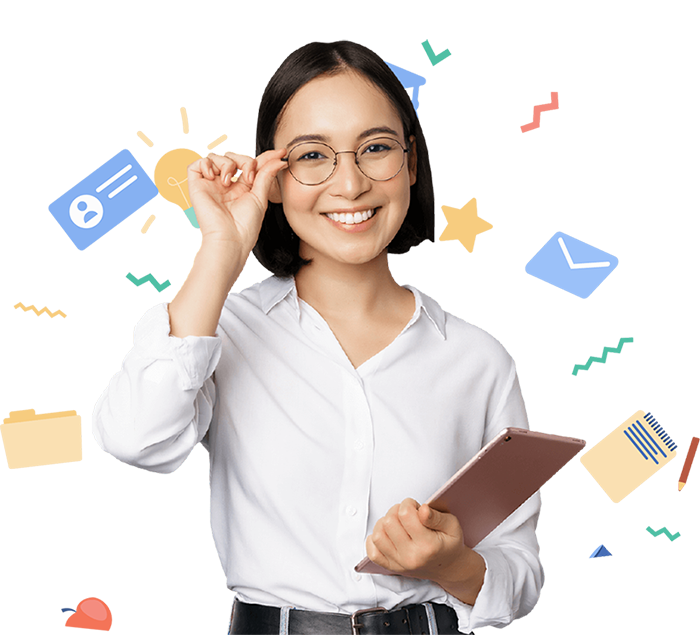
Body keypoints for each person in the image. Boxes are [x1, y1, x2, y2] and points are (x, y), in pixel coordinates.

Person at [92, 41, 543, 635]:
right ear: (273, 176)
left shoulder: (477, 361)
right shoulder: (218, 330)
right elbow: (132, 439)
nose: (350, 183)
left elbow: (519, 572)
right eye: (312, 156)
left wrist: (452, 564)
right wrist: (223, 252)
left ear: (410, 163)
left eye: (376, 148)